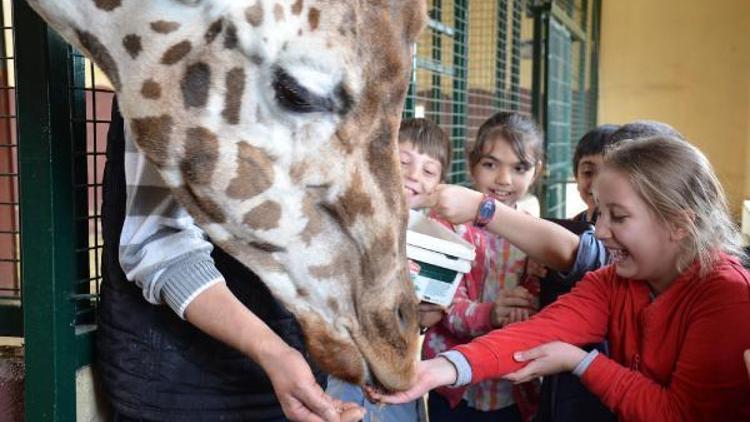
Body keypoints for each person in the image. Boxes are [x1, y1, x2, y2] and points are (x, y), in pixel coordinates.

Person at [370, 135, 750, 420]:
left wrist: (582, 362)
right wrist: (437, 369)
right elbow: (536, 333)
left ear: (679, 224)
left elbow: (678, 415)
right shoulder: (613, 281)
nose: (599, 232)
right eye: (599, 214)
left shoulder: (726, 297)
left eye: (618, 217)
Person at [98, 100, 364, 421]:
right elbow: (157, 243)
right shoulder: (177, 70)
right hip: (178, 379)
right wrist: (274, 352)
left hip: (289, 367)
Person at [419, 112, 545, 422]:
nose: (503, 179)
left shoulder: (536, 234)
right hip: (452, 388)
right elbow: (440, 304)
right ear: (472, 162)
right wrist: (491, 313)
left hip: (513, 388)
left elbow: (539, 297)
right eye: (490, 164)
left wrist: (525, 305)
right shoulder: (444, 224)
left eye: (519, 168)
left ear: (536, 171)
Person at [325, 117, 452, 422]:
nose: (412, 175)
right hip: (348, 363)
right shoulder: (351, 216)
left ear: (439, 183)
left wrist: (428, 315)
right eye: (403, 160)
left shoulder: (437, 237)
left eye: (428, 170)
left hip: (397, 368)